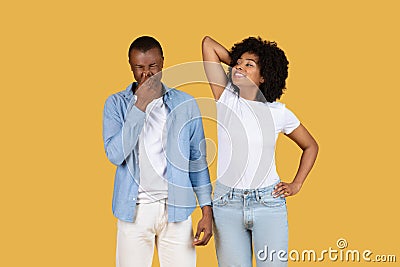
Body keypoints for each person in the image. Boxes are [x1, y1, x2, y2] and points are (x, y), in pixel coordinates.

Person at [202, 36, 319, 266]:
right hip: (227, 204)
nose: (239, 66)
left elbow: (311, 146)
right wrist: (239, 62)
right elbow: (208, 44)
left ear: (264, 76)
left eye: (250, 65)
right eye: (238, 62)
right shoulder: (225, 98)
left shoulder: (278, 112)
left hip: (268, 204)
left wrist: (297, 184)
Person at [103, 36, 213, 267]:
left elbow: (197, 160)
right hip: (134, 212)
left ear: (162, 63)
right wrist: (140, 106)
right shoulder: (116, 104)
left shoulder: (186, 104)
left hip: (176, 210)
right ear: (131, 66)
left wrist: (206, 209)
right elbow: (115, 155)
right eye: (139, 68)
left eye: (152, 66)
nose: (147, 74)